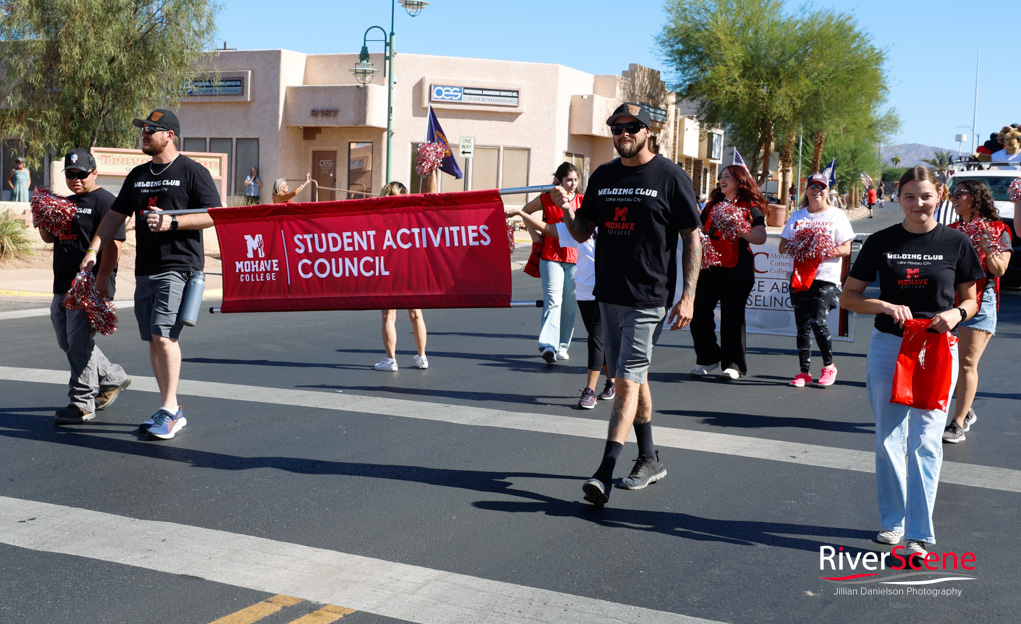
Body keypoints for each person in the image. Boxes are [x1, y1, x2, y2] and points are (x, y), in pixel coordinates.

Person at [556, 102, 702, 506]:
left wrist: (688, 295)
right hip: (609, 294)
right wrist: (567, 209)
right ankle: (650, 457)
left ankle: (604, 472)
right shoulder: (603, 176)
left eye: (632, 127)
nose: (623, 134)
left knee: (624, 381)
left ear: (648, 131)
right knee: (634, 378)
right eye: (616, 128)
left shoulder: (670, 175)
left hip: (648, 296)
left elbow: (692, 236)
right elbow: (582, 231)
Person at [840, 166, 983, 558]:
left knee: (926, 440)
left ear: (939, 195)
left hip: (936, 350)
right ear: (898, 196)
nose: (918, 203)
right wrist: (884, 305)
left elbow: (971, 300)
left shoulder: (957, 242)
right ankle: (894, 521)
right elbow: (849, 297)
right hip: (890, 348)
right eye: (909, 196)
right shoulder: (881, 241)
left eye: (925, 196)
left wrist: (956, 314)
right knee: (889, 439)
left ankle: (919, 533)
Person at [81, 108, 221, 440]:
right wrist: (93, 250)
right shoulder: (138, 175)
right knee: (153, 340)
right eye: (143, 129)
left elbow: (215, 214)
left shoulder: (192, 171)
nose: (144, 134)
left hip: (180, 266)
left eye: (150, 129)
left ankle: (171, 410)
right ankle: (166, 406)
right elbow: (115, 216)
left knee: (164, 335)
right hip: (145, 269)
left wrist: (173, 221)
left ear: (169, 135)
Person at [38, 149, 131, 424]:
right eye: (70, 174)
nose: (75, 179)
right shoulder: (66, 202)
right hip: (62, 283)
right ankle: (113, 377)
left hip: (88, 286)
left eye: (81, 174)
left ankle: (82, 403)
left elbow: (114, 246)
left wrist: (102, 281)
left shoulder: (106, 202)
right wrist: (42, 218)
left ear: (94, 173)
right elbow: (49, 238)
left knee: (78, 343)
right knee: (68, 342)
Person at [508, 208, 614, 409]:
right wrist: (523, 215)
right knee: (601, 340)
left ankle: (589, 391)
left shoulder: (612, 226)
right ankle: (612, 382)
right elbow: (548, 229)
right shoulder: (580, 228)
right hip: (584, 291)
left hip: (607, 290)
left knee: (596, 338)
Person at [942, 180, 1012, 443]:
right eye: (952, 194)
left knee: (967, 362)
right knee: (948, 364)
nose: (954, 198)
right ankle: (967, 408)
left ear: (976, 197)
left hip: (982, 301)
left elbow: (999, 270)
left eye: (959, 194)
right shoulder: (949, 230)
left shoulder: (998, 229)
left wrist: (986, 245)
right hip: (948, 303)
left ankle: (958, 422)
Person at [689, 164, 767, 380]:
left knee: (732, 317)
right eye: (721, 176)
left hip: (738, 268)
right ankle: (708, 358)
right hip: (710, 266)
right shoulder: (712, 204)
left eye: (728, 177)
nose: (722, 180)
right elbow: (701, 229)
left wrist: (738, 226)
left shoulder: (750, 206)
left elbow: (760, 237)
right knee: (698, 312)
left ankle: (733, 364)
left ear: (740, 181)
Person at [779, 172, 855, 387]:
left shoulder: (837, 215)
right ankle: (804, 372)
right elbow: (783, 246)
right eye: (813, 186)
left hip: (825, 278)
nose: (817, 191)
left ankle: (829, 366)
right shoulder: (797, 216)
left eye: (821, 187)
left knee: (817, 321)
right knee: (802, 325)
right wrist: (801, 247)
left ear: (827, 191)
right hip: (800, 278)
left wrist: (821, 251)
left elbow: (846, 248)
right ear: (806, 190)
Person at [518, 163, 581, 363]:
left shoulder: (582, 201)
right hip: (550, 257)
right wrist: (533, 235)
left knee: (569, 306)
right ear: (559, 181)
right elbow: (525, 211)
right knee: (553, 301)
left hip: (575, 260)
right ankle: (548, 346)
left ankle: (562, 346)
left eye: (575, 180)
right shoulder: (546, 199)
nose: (573, 184)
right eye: (569, 180)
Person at [373, 181, 428, 372]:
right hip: (411, 267)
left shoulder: (380, 217)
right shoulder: (412, 216)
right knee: (416, 314)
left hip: (389, 268)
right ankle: (422, 357)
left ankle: (391, 360)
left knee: (388, 315)